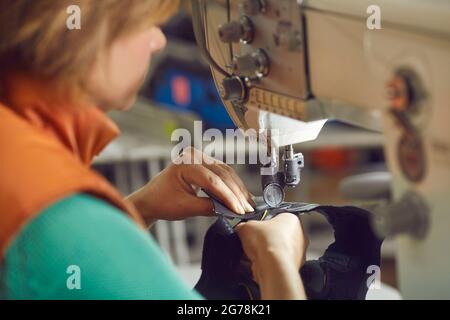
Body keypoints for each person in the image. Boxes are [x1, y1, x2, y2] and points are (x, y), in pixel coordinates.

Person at [0, 0, 308, 300]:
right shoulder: (58, 218)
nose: (158, 41)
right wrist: (276, 261)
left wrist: (136, 210)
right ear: (83, 34)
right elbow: (64, 242)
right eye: (148, 23)